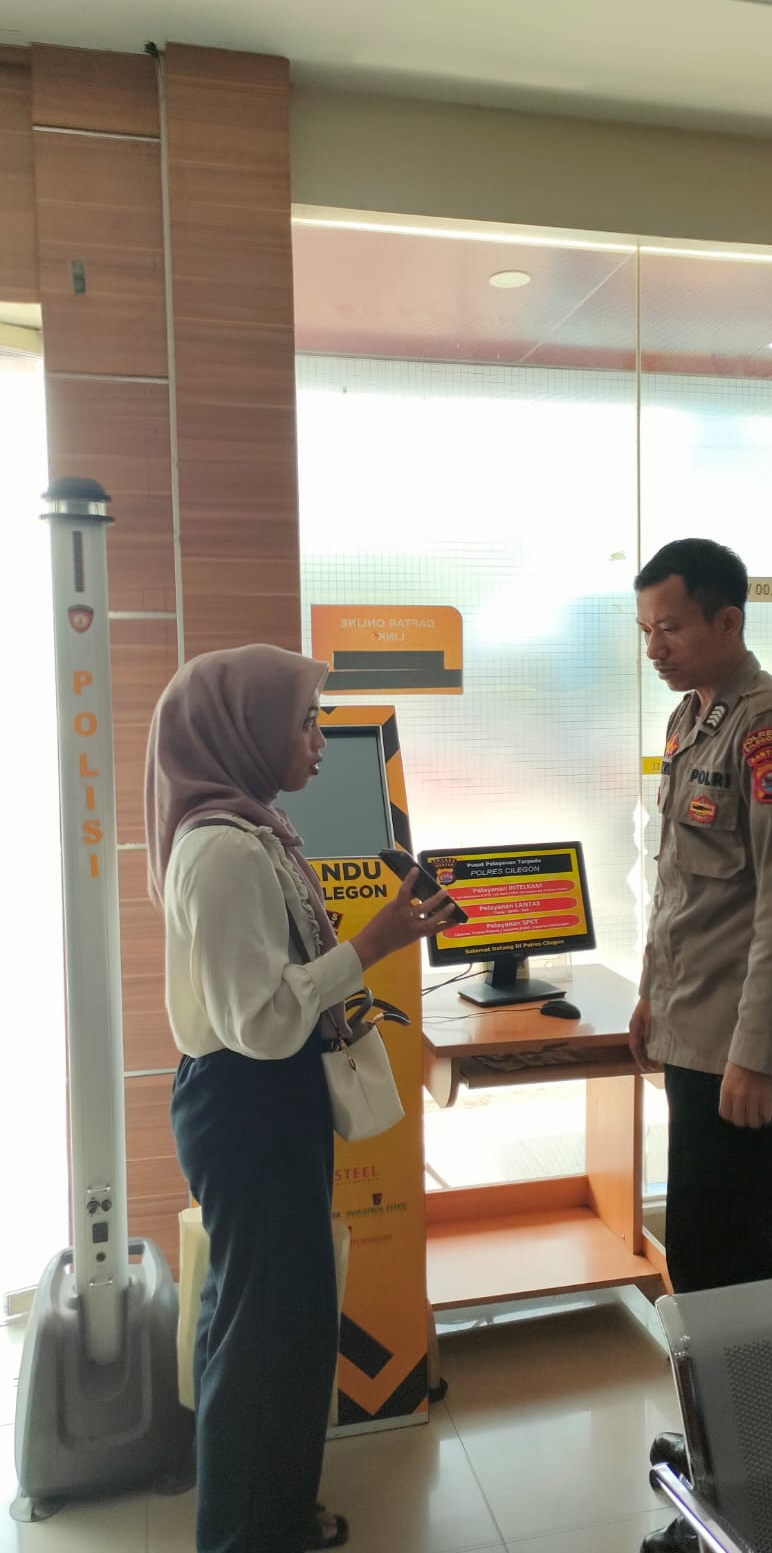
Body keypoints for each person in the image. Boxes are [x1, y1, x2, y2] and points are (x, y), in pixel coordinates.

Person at [145, 644, 457, 1553]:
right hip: (249, 1098)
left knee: (269, 1319)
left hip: (261, 1096)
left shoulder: (252, 830)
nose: (320, 740)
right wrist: (372, 945)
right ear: (243, 730)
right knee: (267, 1331)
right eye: (305, 722)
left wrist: (374, 941)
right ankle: (249, 1532)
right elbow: (260, 1020)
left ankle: (271, 1509)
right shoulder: (223, 852)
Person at [629, 540, 772, 1553]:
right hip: (693, 1036)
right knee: (704, 1259)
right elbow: (681, 886)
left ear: (726, 621)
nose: (654, 648)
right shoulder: (689, 721)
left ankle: (761, 1481)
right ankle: (722, 1455)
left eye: (669, 627)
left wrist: (754, 1053)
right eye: (645, 631)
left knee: (729, 1267)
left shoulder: (769, 728)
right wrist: (650, 996)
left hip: (743, 1057)